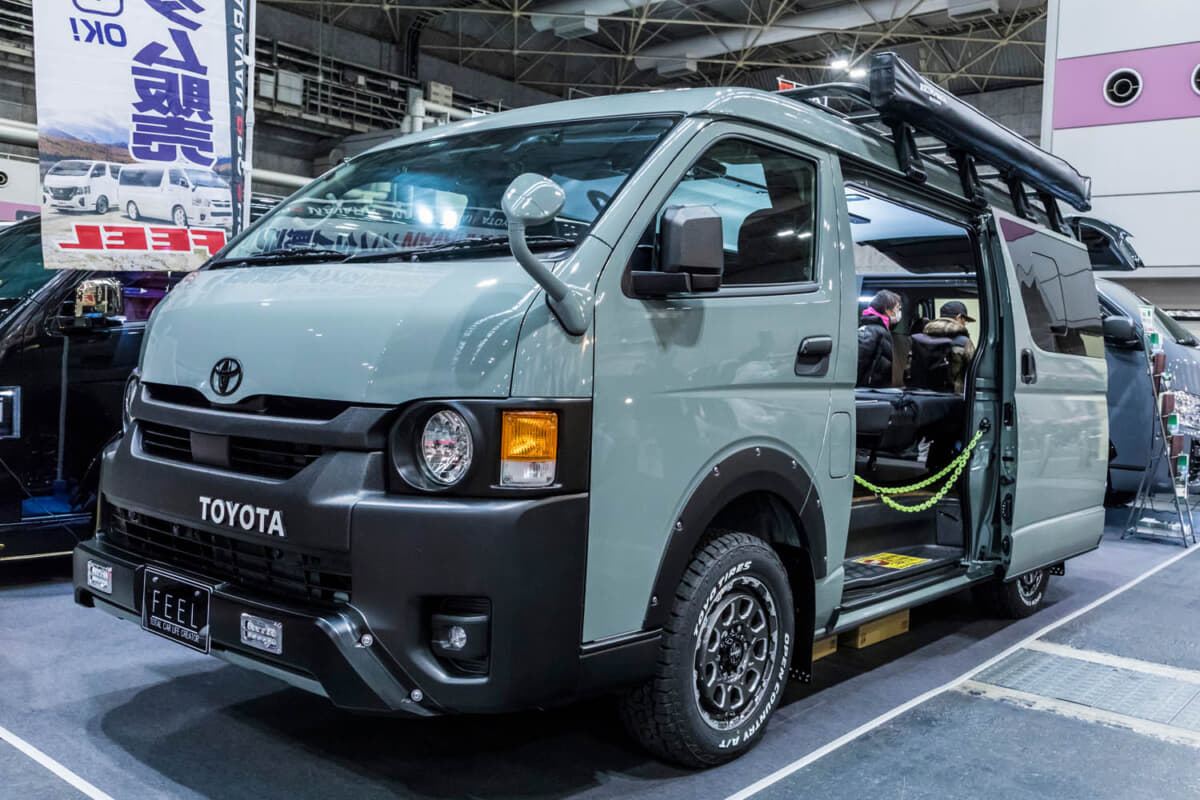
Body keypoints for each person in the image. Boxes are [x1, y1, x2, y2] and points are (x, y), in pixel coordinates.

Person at [911, 300, 977, 395]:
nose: (964, 324)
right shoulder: (963, 342)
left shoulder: (920, 339)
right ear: (958, 317)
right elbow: (975, 371)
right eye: (964, 321)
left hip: (923, 396)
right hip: (953, 398)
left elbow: (908, 370)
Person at [857, 290, 902, 388]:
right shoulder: (872, 331)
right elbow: (859, 364)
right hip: (870, 390)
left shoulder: (881, 330)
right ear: (887, 310)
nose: (899, 312)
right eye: (897, 308)